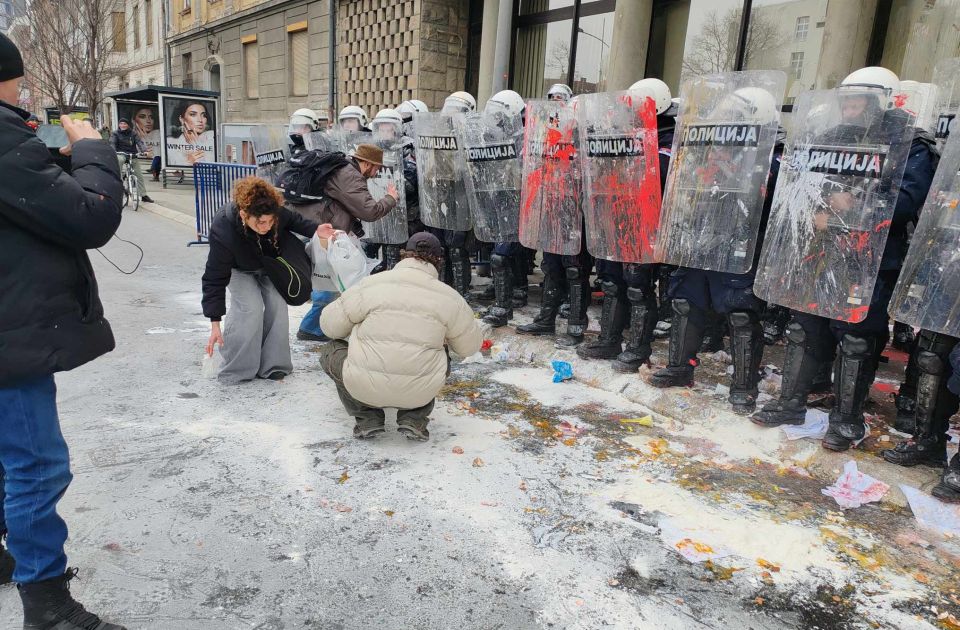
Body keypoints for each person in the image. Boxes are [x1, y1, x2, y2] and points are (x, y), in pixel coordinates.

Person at [0, 32, 127, 630]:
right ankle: (46, 604)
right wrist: (93, 149)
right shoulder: (2, 137)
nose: (22, 91)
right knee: (36, 465)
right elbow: (90, 212)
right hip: (10, 335)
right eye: (18, 79)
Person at [753, 67, 938, 452]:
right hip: (822, 251)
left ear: (881, 102)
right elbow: (800, 182)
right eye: (847, 101)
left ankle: (847, 419)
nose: (851, 108)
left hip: (870, 257)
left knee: (856, 337)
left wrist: (852, 206)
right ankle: (791, 402)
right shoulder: (830, 138)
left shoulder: (910, 143)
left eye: (859, 102)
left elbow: (906, 200)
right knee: (806, 328)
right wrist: (816, 207)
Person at [649, 86, 784, 415]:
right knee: (684, 302)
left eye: (733, 118)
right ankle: (681, 366)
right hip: (702, 236)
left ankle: (743, 386)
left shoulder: (772, 153)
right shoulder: (708, 146)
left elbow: (768, 196)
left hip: (739, 239)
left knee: (740, 313)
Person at [319, 232, 482, 440]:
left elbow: (329, 327)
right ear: (439, 261)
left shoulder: (372, 284)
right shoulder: (450, 297)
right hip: (419, 391)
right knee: (442, 352)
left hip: (363, 387)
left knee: (331, 348)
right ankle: (414, 419)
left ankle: (367, 418)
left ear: (404, 255)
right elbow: (469, 348)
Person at [576, 78, 675, 371]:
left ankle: (638, 347)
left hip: (644, 223)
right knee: (611, 282)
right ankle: (609, 339)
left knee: (637, 286)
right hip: (615, 218)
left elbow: (662, 172)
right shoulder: (620, 134)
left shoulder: (668, 137)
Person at [202, 176, 330, 382]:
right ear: (244, 214)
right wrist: (214, 322)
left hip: (269, 264)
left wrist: (316, 229)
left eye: (271, 221)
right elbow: (214, 277)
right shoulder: (223, 228)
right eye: (260, 222)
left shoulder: (275, 213)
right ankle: (238, 368)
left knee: (277, 303)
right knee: (250, 307)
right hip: (239, 269)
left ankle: (274, 365)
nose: (266, 227)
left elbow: (295, 221)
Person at [293, 143, 398, 342]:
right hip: (324, 231)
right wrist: (390, 199)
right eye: (376, 167)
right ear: (367, 164)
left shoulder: (345, 170)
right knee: (326, 281)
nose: (377, 172)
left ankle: (317, 326)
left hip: (324, 228)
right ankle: (311, 327)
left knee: (330, 280)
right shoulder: (350, 175)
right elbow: (369, 211)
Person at [110, 117, 154, 204]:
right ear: (119, 125)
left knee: (139, 175)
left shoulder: (133, 133)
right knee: (119, 160)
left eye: (125, 124)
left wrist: (144, 151)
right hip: (121, 153)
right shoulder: (115, 133)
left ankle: (143, 195)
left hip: (132, 154)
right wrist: (113, 151)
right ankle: (119, 183)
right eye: (121, 124)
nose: (123, 125)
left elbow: (139, 142)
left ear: (128, 125)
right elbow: (112, 143)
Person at [166, 100, 214, 166]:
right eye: (193, 114)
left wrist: (196, 143)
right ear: (182, 119)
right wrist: (188, 162)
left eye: (203, 115)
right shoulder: (170, 142)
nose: (200, 120)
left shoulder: (212, 138)